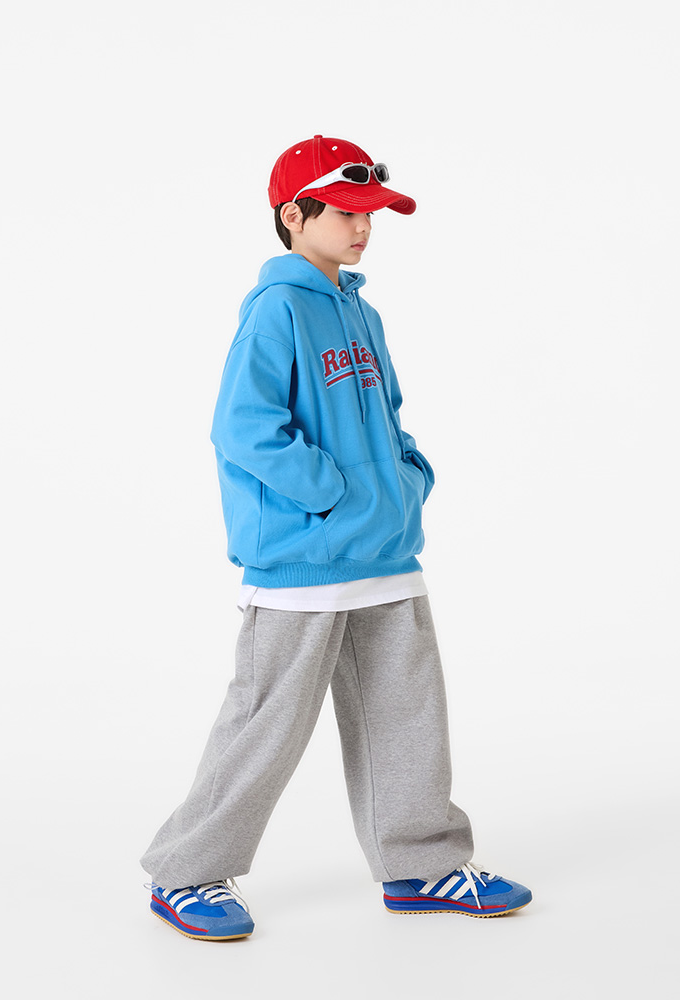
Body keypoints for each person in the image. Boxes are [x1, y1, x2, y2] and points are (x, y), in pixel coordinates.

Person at [141, 135, 531, 941]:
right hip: (304, 560)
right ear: (294, 214)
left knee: (407, 714)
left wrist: (406, 478)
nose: (363, 227)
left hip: (386, 553)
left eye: (371, 214)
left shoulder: (362, 311)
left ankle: (420, 865)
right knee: (268, 723)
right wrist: (336, 494)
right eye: (348, 211)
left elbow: (387, 415)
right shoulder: (277, 308)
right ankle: (186, 873)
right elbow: (244, 427)